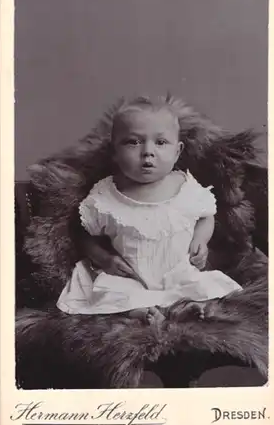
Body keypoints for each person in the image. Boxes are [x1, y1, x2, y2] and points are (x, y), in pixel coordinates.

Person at [56, 97, 242, 324]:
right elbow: (85, 234)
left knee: (198, 286)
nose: (147, 152)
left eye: (161, 142)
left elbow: (206, 214)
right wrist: (105, 259)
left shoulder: (185, 187)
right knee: (115, 293)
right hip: (131, 275)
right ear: (114, 152)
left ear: (177, 151)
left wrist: (201, 240)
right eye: (133, 142)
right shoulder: (105, 196)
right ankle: (143, 312)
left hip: (176, 271)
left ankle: (187, 307)